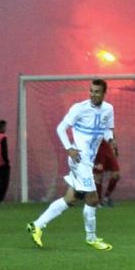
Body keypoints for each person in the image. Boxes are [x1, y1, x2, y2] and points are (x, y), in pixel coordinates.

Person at [26, 78, 114, 250]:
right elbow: (61, 128)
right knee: (93, 199)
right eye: (91, 91)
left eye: (97, 91)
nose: (93, 94)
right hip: (79, 159)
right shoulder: (79, 108)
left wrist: (111, 141)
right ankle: (91, 238)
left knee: (71, 199)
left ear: (104, 93)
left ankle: (36, 225)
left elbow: (107, 130)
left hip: (87, 160)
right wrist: (69, 149)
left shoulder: (108, 109)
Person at [92, 132, 122, 205]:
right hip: (98, 146)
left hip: (108, 146)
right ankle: (98, 201)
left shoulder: (108, 121)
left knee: (116, 174)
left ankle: (106, 197)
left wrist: (115, 146)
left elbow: (111, 128)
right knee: (98, 175)